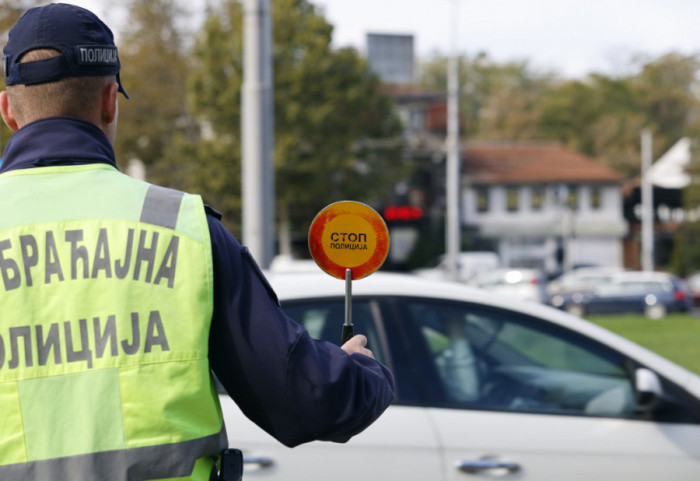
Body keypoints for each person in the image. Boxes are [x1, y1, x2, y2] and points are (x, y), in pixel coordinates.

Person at [0, 3, 395, 481]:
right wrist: (363, 372)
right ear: (110, 101)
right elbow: (306, 400)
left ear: (8, 111)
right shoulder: (180, 227)